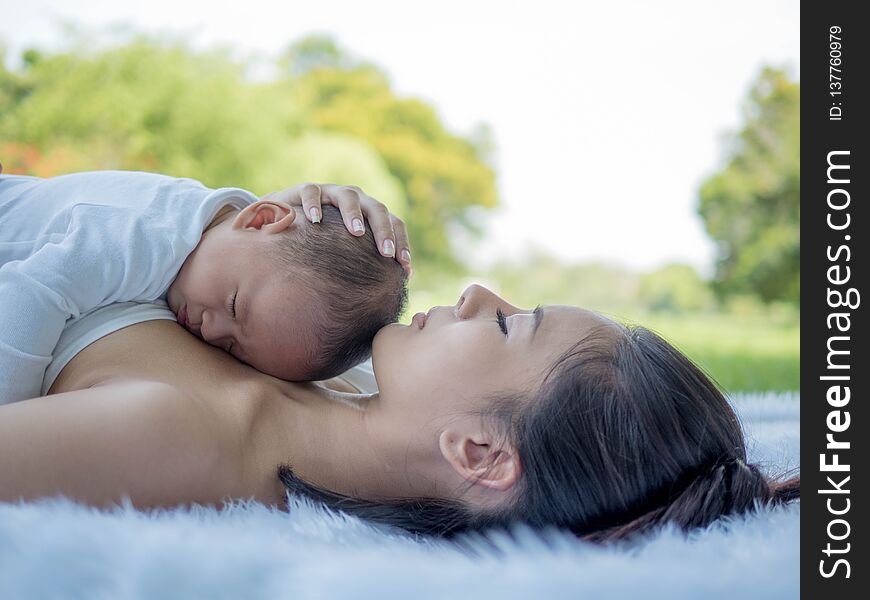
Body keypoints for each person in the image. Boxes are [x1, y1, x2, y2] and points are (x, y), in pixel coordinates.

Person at [0, 276, 800, 542]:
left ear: (479, 454)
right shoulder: (331, 379)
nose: (477, 292)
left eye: (504, 324)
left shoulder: (175, 435)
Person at [0, 171, 411, 405]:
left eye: (234, 349)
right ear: (260, 217)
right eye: (234, 306)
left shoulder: (232, 239)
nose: (212, 331)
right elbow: (30, 297)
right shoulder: (137, 234)